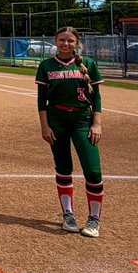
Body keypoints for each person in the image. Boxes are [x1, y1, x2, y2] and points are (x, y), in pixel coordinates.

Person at [36, 26, 105, 238]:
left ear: (77, 43)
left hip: (82, 121)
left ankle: (94, 219)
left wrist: (97, 124)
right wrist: (44, 126)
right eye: (61, 40)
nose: (65, 44)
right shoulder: (46, 65)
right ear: (55, 42)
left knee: (93, 170)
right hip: (57, 121)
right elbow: (41, 99)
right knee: (64, 167)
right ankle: (68, 214)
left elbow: (98, 97)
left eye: (70, 41)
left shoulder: (88, 64)